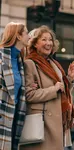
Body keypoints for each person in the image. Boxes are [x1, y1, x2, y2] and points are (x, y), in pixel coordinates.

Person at [20, 25, 74, 150]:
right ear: (35, 43)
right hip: (43, 125)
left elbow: (62, 90)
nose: (48, 43)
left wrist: (69, 79)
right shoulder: (30, 63)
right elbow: (29, 95)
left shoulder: (53, 63)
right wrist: (54, 89)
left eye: (50, 40)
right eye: (44, 40)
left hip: (56, 122)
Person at [0, 22, 30, 150]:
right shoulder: (1, 58)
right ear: (18, 36)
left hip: (14, 117)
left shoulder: (19, 60)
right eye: (26, 33)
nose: (29, 36)